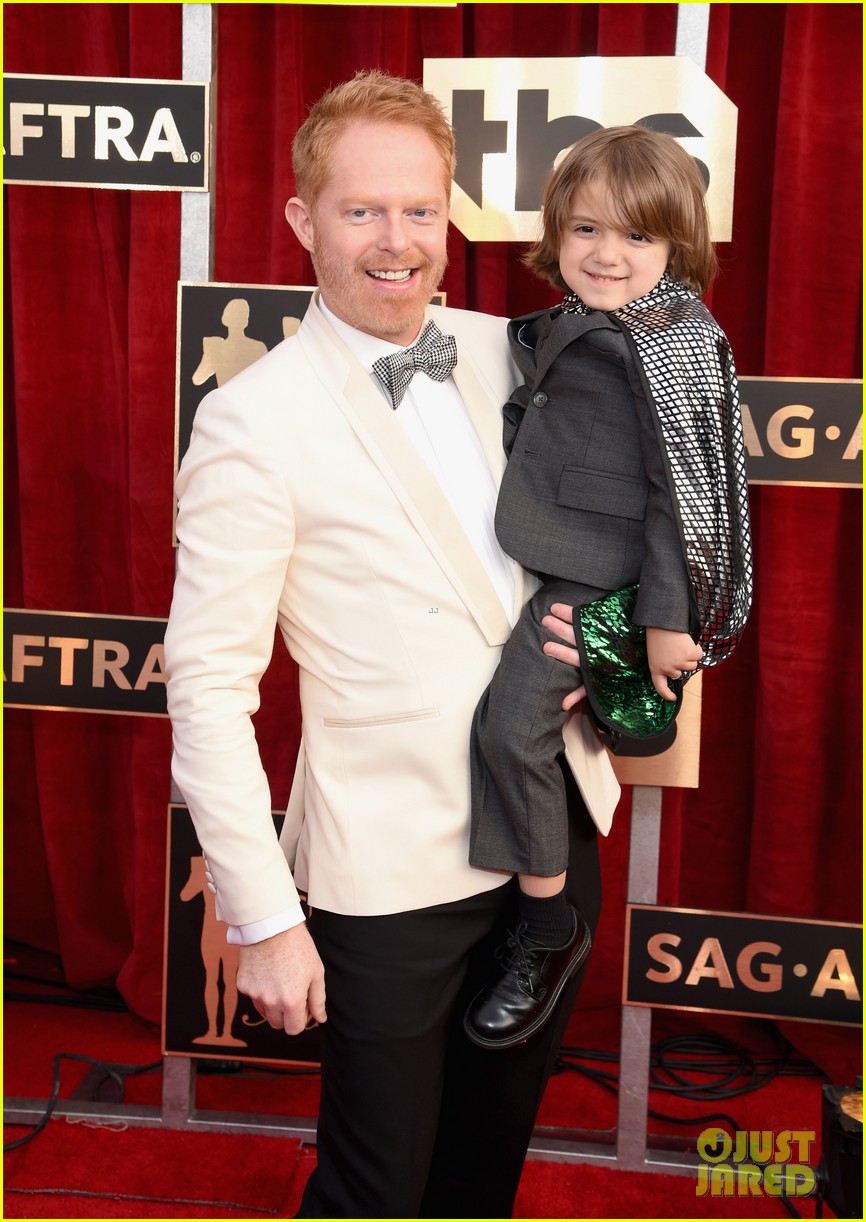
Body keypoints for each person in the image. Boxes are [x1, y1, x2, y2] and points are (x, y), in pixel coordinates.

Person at [164, 71, 618, 1219]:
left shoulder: (511, 350)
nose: (394, 240)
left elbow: (608, 515)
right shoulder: (250, 422)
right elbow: (209, 688)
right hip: (387, 881)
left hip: (551, 835)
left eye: (419, 209)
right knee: (376, 1187)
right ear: (303, 221)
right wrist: (262, 918)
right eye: (360, 209)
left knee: (482, 1171)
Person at [465, 125, 753, 1050]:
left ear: (676, 248)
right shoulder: (588, 319)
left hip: (599, 570)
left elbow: (687, 493)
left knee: (511, 731)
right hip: (547, 544)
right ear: (557, 232)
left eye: (636, 238)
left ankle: (547, 930)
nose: (607, 255)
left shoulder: (673, 344)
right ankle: (625, 700)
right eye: (587, 231)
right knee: (558, 719)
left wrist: (667, 620)